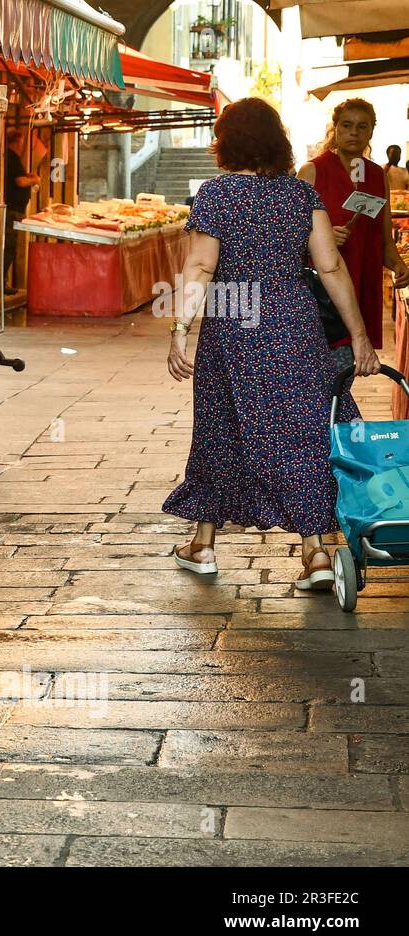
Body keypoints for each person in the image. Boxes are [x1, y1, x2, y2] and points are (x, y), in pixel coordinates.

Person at [163, 98, 379, 590]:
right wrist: (361, 336)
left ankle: (204, 546)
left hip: (234, 320)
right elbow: (330, 267)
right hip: (295, 323)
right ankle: (315, 553)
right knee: (304, 430)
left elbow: (200, 268)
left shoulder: (217, 195)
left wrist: (180, 330)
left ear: (227, 142)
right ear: (276, 142)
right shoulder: (301, 195)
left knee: (221, 427)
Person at [298, 99, 409, 378]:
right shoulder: (312, 171)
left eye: (362, 127)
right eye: (346, 125)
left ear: (371, 132)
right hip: (320, 291)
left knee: (346, 373)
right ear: (334, 129)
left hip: (361, 284)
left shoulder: (376, 175)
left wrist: (398, 265)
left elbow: (384, 239)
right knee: (321, 375)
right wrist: (320, 238)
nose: (354, 132)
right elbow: (288, 236)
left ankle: (333, 421)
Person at [3, 126, 38, 287]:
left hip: (15, 210)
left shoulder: (12, 158)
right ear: (15, 142)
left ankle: (3, 282)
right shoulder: (11, 157)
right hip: (11, 211)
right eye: (21, 143)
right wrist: (34, 180)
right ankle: (2, 283)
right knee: (9, 246)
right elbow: (20, 181)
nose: (21, 147)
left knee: (11, 247)